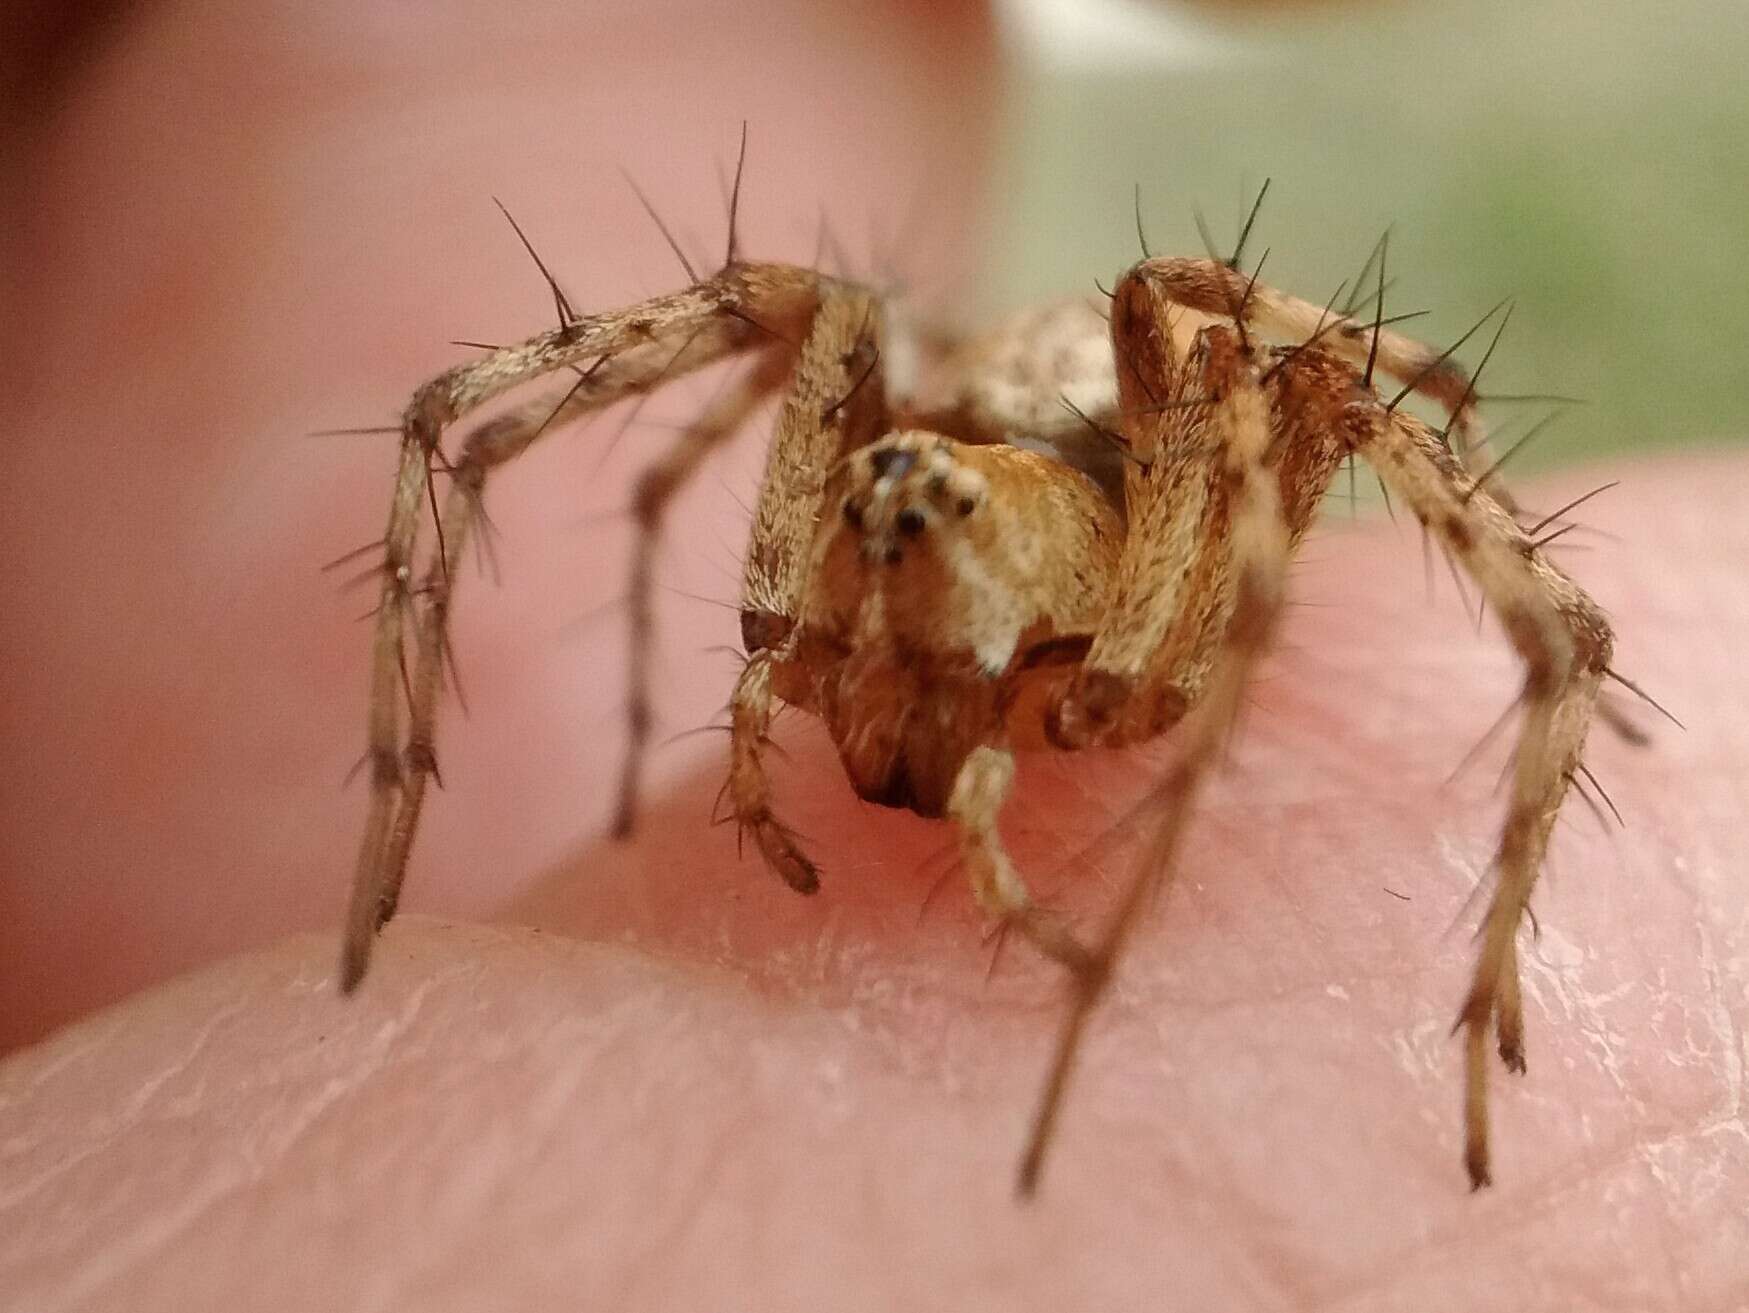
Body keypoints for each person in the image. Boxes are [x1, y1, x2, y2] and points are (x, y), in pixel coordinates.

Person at [4, 2, 1743, 1307]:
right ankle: (388, 858)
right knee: (566, 371)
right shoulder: (841, 514)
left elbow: (1316, 387)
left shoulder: (1152, 594)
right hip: (974, 396)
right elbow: (461, 415)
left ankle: (1465, 1009)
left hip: (1111, 458)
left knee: (1270, 366)